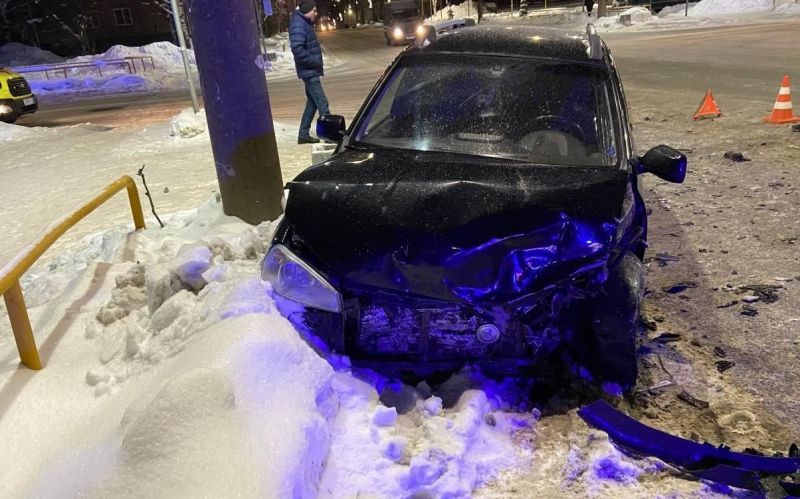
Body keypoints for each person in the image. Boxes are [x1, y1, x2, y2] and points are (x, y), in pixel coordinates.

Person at [289, 0, 330, 144]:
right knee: (322, 104)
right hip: (309, 71)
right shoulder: (299, 25)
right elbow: (297, 49)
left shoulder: (302, 22)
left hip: (309, 70)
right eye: (314, 10)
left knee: (312, 103)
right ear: (307, 11)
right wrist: (313, 61)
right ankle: (329, 135)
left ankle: (303, 134)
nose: (316, 13)